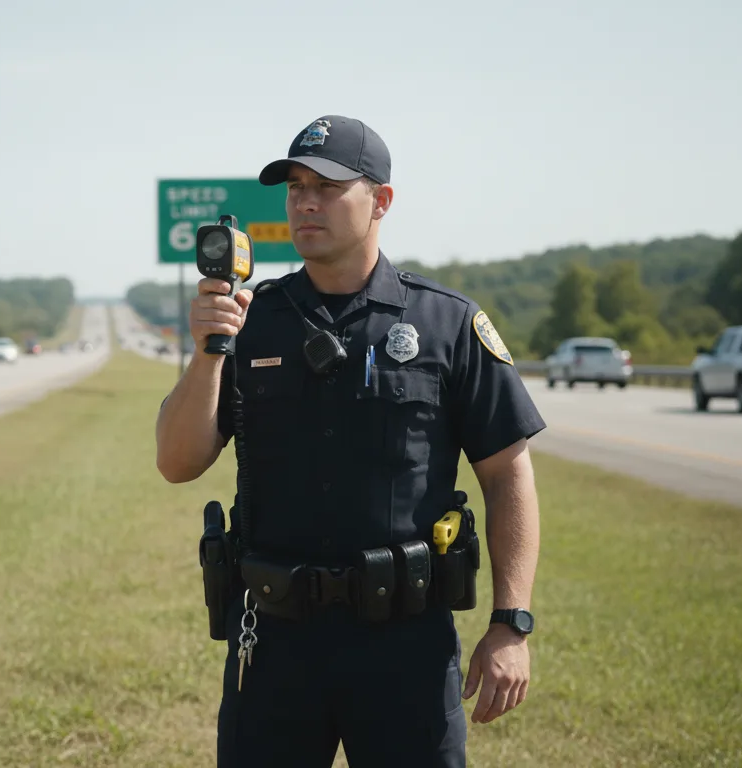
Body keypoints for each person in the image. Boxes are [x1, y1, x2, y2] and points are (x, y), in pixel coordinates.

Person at [155, 115, 545, 767]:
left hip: (406, 644)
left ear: (381, 200)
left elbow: (508, 473)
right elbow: (176, 462)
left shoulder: (446, 323)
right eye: (295, 187)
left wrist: (512, 622)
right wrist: (207, 352)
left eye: (328, 187)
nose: (306, 202)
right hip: (274, 641)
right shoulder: (252, 322)